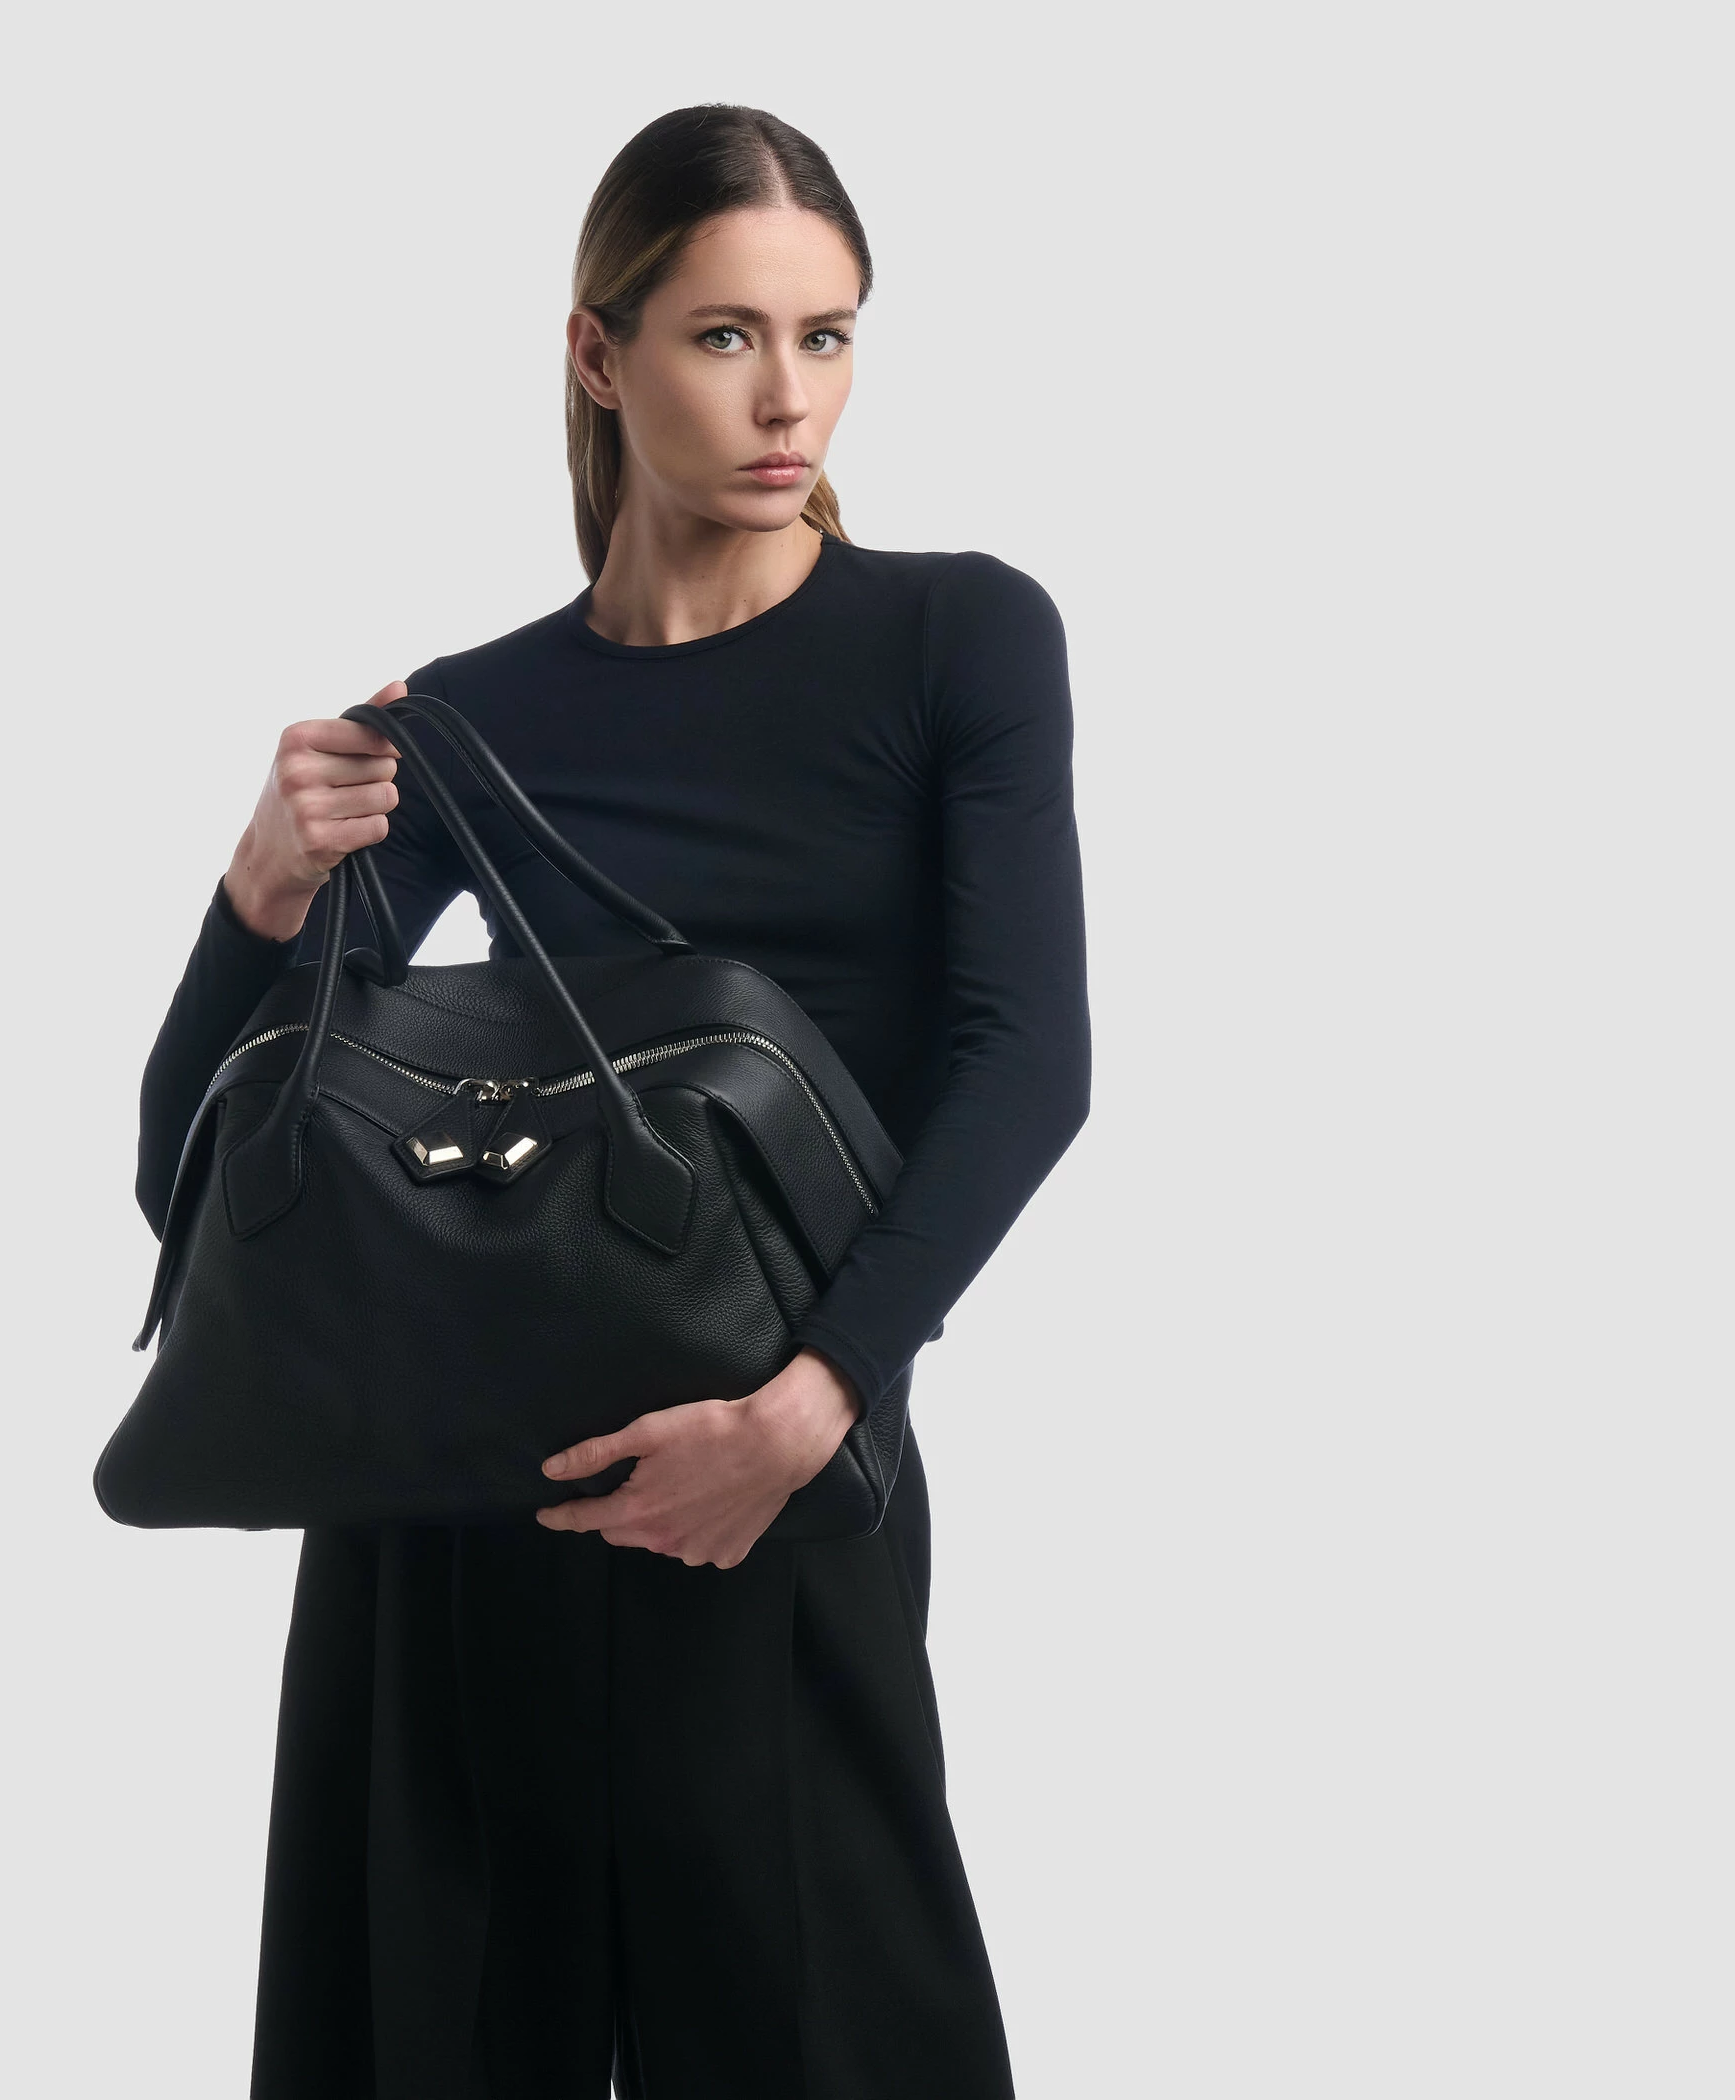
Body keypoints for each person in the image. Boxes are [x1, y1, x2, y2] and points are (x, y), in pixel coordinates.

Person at [136, 103, 1090, 2100]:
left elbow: (1029, 1058)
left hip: (778, 1476)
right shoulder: (471, 718)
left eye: (826, 335)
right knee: (442, 2041)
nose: (788, 397)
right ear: (599, 352)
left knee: (826, 2034)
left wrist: (809, 1410)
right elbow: (200, 1180)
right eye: (726, 335)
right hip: (456, 1504)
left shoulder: (958, 636)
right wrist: (258, 893)